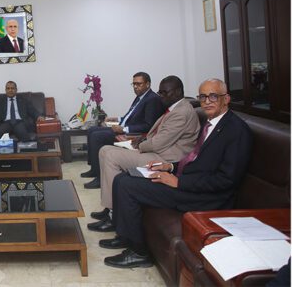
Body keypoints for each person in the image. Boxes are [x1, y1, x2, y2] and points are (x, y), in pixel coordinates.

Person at [98, 79, 252, 269]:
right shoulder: (211, 124)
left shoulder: (236, 130)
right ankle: (125, 237)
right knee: (123, 178)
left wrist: (179, 182)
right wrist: (170, 167)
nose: (207, 101)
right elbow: (195, 160)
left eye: (213, 96)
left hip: (205, 197)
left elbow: (226, 180)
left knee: (127, 185)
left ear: (226, 99)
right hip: (188, 182)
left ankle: (139, 253)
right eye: (203, 97)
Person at [88, 75, 200, 232]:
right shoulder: (175, 108)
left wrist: (139, 145)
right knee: (105, 151)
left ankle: (114, 215)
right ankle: (111, 209)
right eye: (160, 92)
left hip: (165, 159)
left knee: (110, 154)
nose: (161, 96)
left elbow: (158, 143)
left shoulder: (181, 112)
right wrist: (142, 139)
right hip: (158, 151)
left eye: (165, 92)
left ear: (177, 91)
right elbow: (158, 135)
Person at [81, 72, 164, 189]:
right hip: (124, 127)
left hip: (132, 133)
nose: (135, 87)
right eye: (134, 84)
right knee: (91, 130)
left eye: (139, 84)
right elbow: (131, 115)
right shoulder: (140, 96)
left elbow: (149, 125)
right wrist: (118, 119)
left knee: (97, 136)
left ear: (148, 84)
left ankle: (100, 178)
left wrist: (124, 129)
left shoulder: (152, 99)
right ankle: (94, 169)